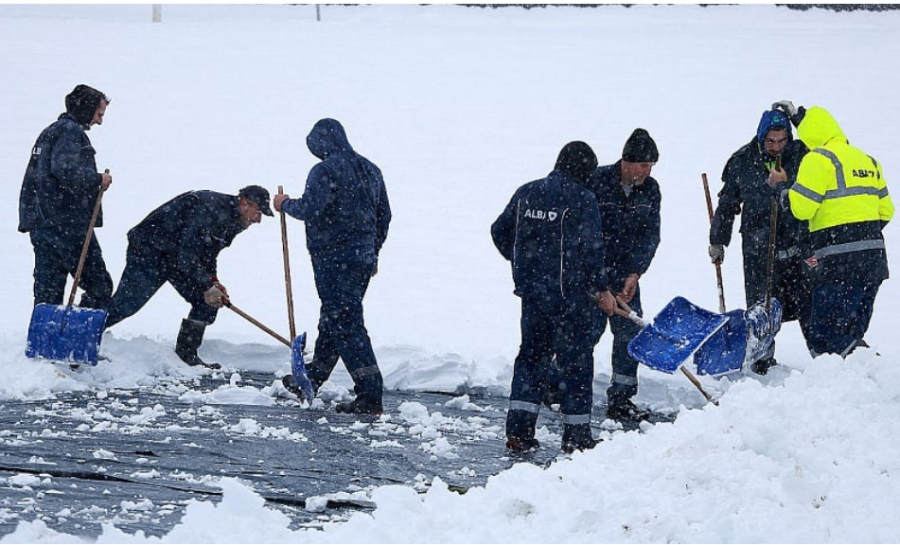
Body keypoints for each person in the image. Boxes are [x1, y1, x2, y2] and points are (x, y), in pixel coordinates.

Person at [491, 141, 616, 454]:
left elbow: (499, 231)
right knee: (576, 362)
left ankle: (518, 432)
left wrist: (525, 263)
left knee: (531, 358)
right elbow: (592, 249)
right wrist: (601, 289)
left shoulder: (527, 192)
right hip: (569, 298)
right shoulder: (583, 199)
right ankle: (576, 435)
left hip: (532, 296)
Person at [274, 119, 391, 415]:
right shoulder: (371, 170)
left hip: (333, 258)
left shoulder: (325, 170)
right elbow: (384, 216)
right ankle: (312, 377)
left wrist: (285, 204)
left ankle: (370, 394)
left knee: (346, 322)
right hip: (361, 258)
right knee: (335, 318)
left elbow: (312, 208)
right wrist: (372, 251)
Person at [105, 186, 273, 369]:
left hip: (175, 255)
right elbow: (187, 254)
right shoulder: (211, 209)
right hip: (151, 249)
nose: (258, 220)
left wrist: (213, 282)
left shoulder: (235, 222)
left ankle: (187, 355)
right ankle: (82, 333)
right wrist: (206, 285)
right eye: (258, 212)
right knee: (127, 303)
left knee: (208, 302)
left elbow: (208, 254)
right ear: (244, 203)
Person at [774, 100, 893, 358]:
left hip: (839, 263)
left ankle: (869, 366)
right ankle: (862, 381)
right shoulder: (868, 160)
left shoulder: (818, 158)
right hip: (874, 262)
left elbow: (802, 209)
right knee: (851, 329)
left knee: (824, 333)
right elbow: (887, 212)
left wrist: (782, 189)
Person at [708, 108, 813, 374]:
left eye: (782, 140)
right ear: (760, 138)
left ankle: (823, 359)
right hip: (758, 244)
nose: (776, 147)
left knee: (809, 302)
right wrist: (718, 240)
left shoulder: (803, 156)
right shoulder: (742, 160)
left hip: (797, 242)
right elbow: (727, 204)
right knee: (761, 305)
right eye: (770, 141)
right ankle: (762, 360)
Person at [582, 129, 661, 423]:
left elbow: (650, 235)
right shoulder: (597, 181)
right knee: (585, 332)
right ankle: (561, 387)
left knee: (630, 335)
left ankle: (621, 398)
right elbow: (586, 233)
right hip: (592, 273)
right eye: (643, 164)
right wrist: (598, 278)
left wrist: (635, 272)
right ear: (627, 161)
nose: (647, 171)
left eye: (651, 166)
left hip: (626, 277)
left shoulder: (651, 190)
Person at [18, 84, 114, 311]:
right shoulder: (71, 132)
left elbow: (43, 176)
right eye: (99, 114)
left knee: (48, 291)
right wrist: (97, 179)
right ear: (88, 108)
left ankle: (45, 341)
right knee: (99, 286)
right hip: (68, 222)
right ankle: (79, 335)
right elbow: (65, 170)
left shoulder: (49, 132)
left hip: (42, 223)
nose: (100, 121)